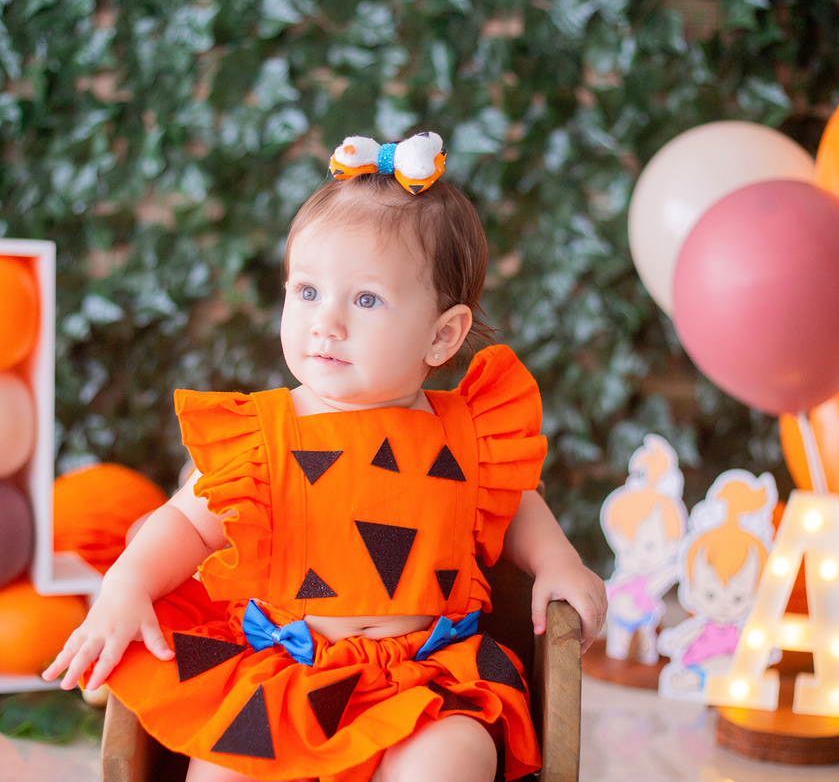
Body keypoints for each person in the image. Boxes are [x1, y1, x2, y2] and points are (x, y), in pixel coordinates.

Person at [44, 133, 607, 782]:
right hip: (285, 669)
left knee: (451, 760)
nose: (325, 322)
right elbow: (186, 521)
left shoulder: (467, 433)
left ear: (441, 335)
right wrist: (128, 582)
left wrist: (559, 562)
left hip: (424, 678)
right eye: (307, 292)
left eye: (365, 300)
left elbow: (517, 506)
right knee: (225, 770)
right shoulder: (264, 437)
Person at [657, 472, 774, 700]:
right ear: (691, 588)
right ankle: (698, 679)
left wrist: (765, 652)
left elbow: (755, 648)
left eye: (738, 598)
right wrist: (674, 640)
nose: (723, 606)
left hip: (731, 674)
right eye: (710, 595)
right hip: (697, 665)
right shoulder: (702, 627)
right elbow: (687, 634)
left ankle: (708, 681)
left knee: (729, 666)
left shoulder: (739, 633)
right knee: (710, 671)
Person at [600, 434, 686, 663]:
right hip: (619, 616)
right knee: (618, 642)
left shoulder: (651, 579)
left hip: (644, 616)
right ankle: (618, 654)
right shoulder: (624, 577)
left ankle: (647, 655)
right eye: (627, 548)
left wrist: (676, 568)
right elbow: (609, 588)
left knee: (648, 643)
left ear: (671, 544)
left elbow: (663, 578)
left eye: (649, 547)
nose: (637, 556)